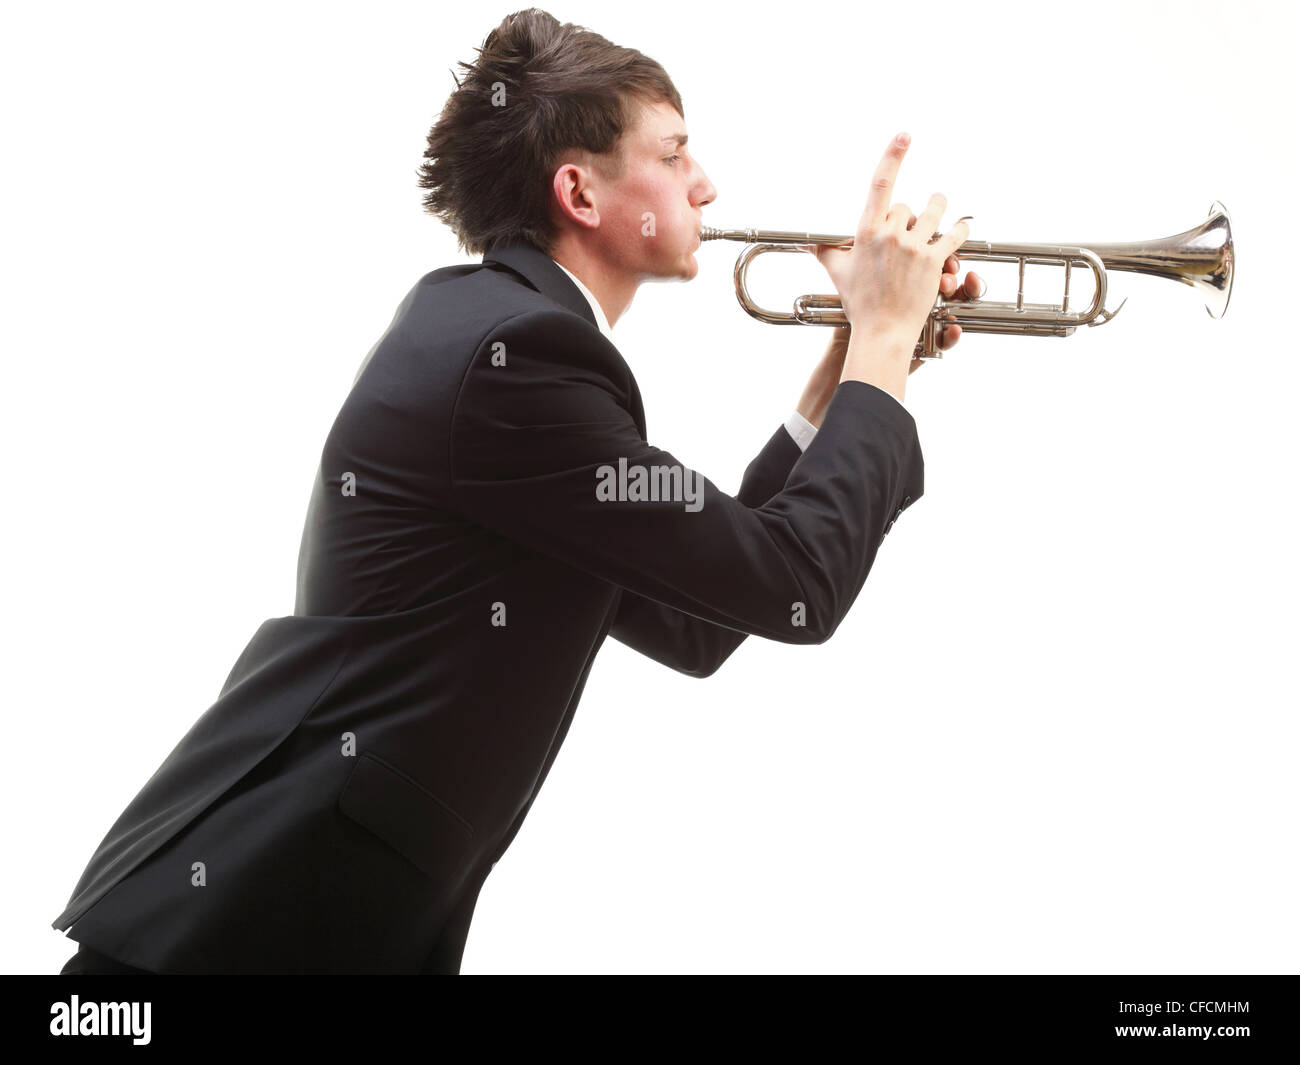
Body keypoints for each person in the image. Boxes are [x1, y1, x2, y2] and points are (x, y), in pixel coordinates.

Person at [52, 8, 981, 974]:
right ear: (578, 190)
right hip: (247, 920)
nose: (708, 184)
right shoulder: (518, 362)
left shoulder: (500, 338)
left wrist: (853, 365)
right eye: (675, 153)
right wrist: (880, 339)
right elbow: (801, 583)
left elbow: (697, 623)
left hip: (305, 915)